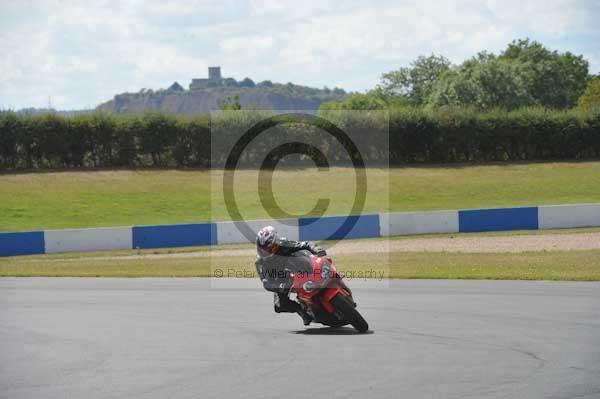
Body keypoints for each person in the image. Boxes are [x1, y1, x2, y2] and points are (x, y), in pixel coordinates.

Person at [255, 226, 327, 325]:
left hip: (300, 263)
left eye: (268, 248)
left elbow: (305, 244)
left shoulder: (284, 244)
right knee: (279, 306)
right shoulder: (260, 262)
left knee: (318, 261)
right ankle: (302, 311)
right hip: (283, 280)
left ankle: (328, 275)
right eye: (261, 248)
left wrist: (318, 250)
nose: (265, 252)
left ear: (275, 243)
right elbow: (266, 282)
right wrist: (280, 286)